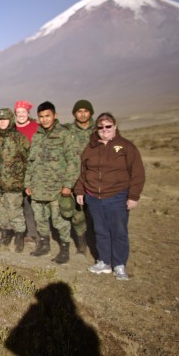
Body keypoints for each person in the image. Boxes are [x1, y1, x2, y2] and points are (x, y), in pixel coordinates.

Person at [75, 113, 145, 280]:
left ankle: (119, 264)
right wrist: (79, 190)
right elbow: (83, 171)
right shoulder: (91, 147)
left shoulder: (126, 146)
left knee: (119, 231)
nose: (104, 130)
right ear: (96, 129)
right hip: (94, 196)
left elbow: (137, 173)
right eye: (101, 127)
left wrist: (133, 196)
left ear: (115, 126)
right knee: (100, 231)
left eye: (108, 126)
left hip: (117, 196)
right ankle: (104, 262)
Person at [24, 101, 79, 264]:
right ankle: (44, 245)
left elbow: (73, 161)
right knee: (40, 219)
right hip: (38, 188)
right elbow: (31, 162)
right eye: (41, 116)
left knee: (60, 221)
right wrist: (28, 183)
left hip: (57, 189)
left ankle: (64, 249)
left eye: (47, 116)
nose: (44, 119)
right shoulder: (37, 136)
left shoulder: (64, 134)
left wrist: (68, 185)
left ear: (55, 115)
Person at [0, 108, 30, 253]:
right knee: (2, 211)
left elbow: (27, 161)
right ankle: (5, 237)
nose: (2, 122)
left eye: (5, 119)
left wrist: (26, 181)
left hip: (14, 183)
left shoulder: (20, 138)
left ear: (11, 120)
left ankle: (19, 238)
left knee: (14, 211)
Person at [66, 99, 96, 254]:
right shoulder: (68, 131)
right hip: (75, 177)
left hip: (96, 178)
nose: (82, 114)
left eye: (86, 111)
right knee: (77, 214)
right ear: (74, 114)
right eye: (79, 111)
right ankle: (81, 242)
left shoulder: (99, 129)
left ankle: (97, 241)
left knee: (96, 212)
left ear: (90, 113)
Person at [14, 100, 40, 245]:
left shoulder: (36, 127)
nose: (21, 115)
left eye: (23, 112)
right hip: (17, 172)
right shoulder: (12, 129)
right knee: (23, 203)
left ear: (28, 113)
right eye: (18, 112)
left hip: (35, 170)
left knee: (36, 202)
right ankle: (28, 232)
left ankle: (39, 232)